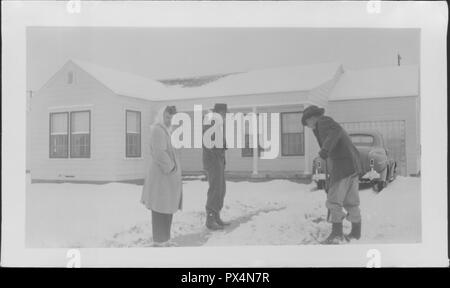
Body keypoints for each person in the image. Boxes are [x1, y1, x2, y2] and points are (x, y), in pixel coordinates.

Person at [301, 105, 362, 244]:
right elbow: (336, 136)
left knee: (333, 201)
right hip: (351, 166)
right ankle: (356, 232)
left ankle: (336, 234)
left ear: (311, 118)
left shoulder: (323, 122)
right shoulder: (326, 123)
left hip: (342, 167)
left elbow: (336, 132)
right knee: (351, 202)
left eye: (307, 123)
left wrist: (324, 151)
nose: (309, 127)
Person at [141, 105, 182, 247]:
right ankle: (159, 242)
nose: (169, 119)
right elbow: (159, 152)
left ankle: (166, 240)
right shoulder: (158, 130)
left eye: (171, 117)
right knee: (160, 210)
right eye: (166, 116)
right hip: (161, 177)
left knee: (167, 209)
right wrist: (171, 168)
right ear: (160, 116)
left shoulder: (166, 130)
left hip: (166, 178)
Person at [202, 103, 230, 230]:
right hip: (213, 161)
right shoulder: (209, 122)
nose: (224, 116)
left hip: (219, 160)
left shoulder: (217, 123)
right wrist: (217, 151)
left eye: (225, 114)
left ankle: (216, 215)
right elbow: (208, 142)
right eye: (223, 114)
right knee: (215, 189)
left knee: (221, 189)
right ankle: (210, 218)